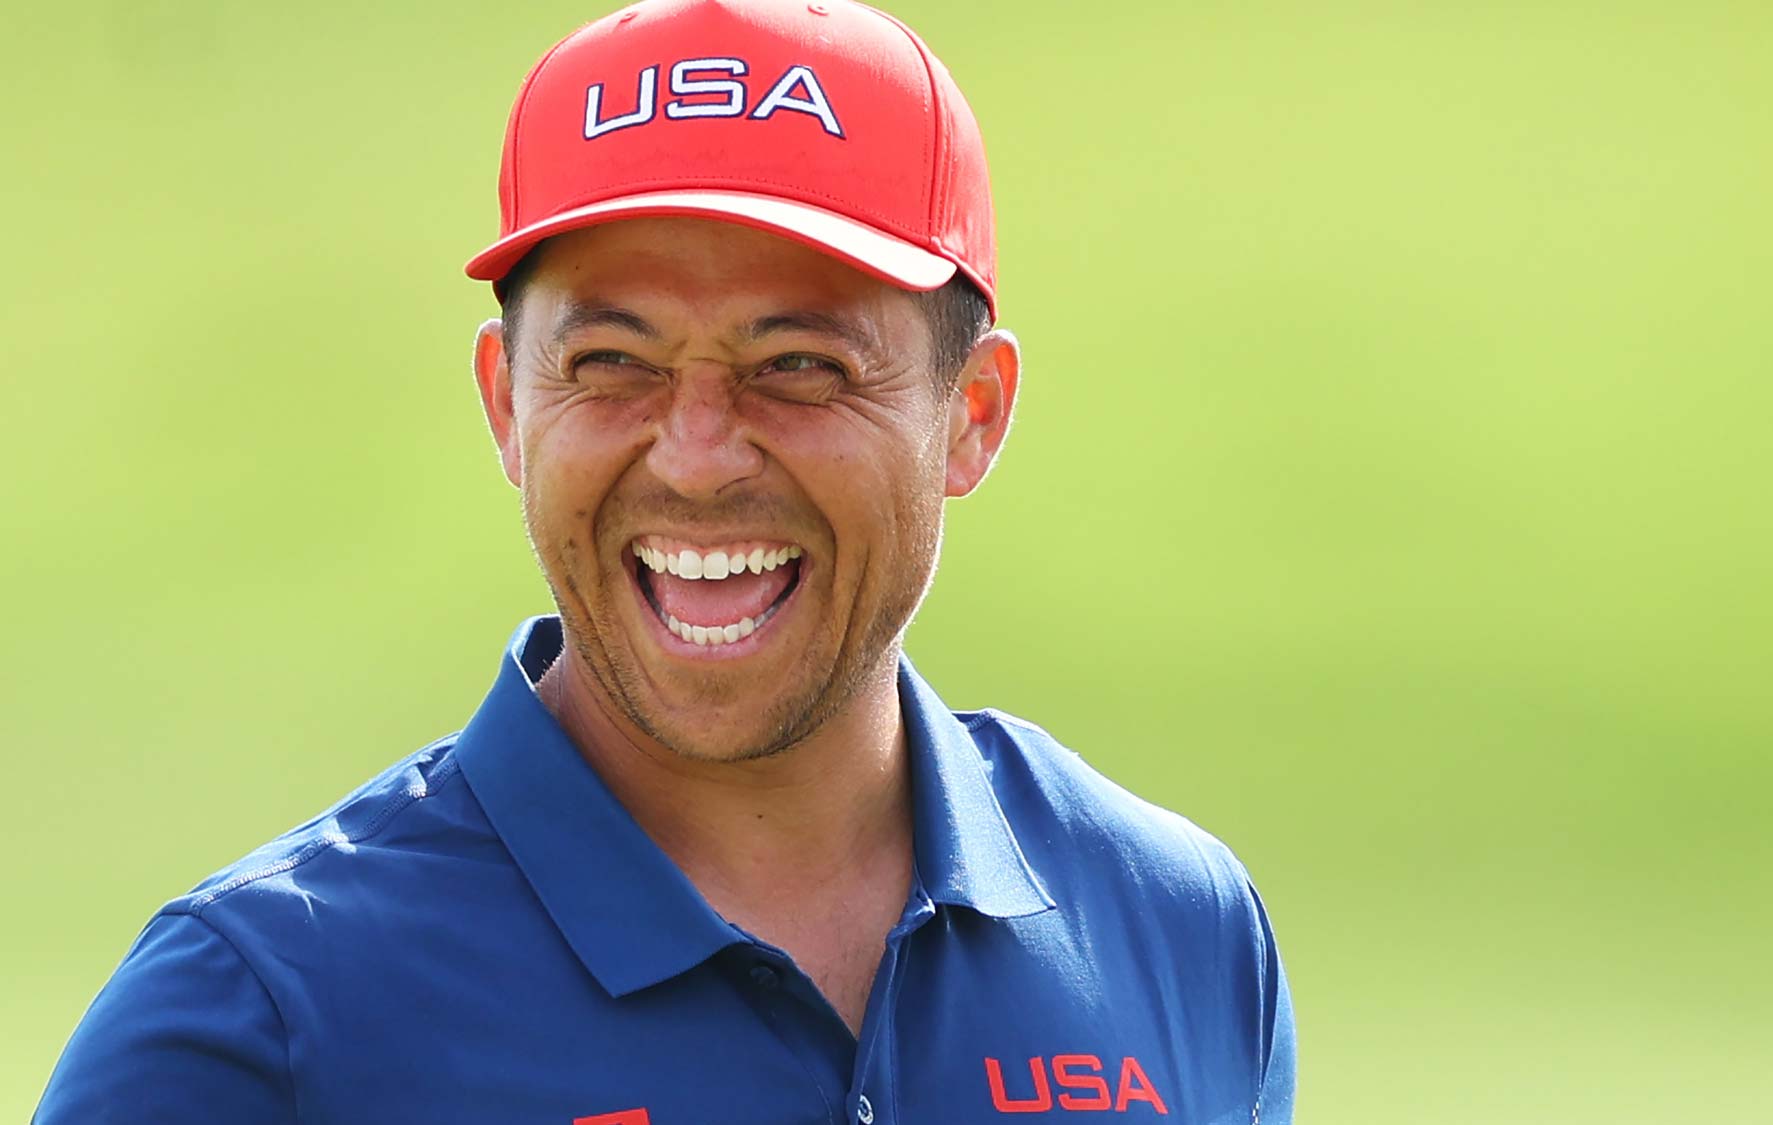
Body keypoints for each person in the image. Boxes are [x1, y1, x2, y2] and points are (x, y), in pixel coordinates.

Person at [35, 0, 1295, 1120]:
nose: (695, 459)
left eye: (797, 364)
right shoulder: (260, 1025)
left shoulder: (1176, 931)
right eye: (611, 365)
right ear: (508, 410)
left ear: (971, 413)